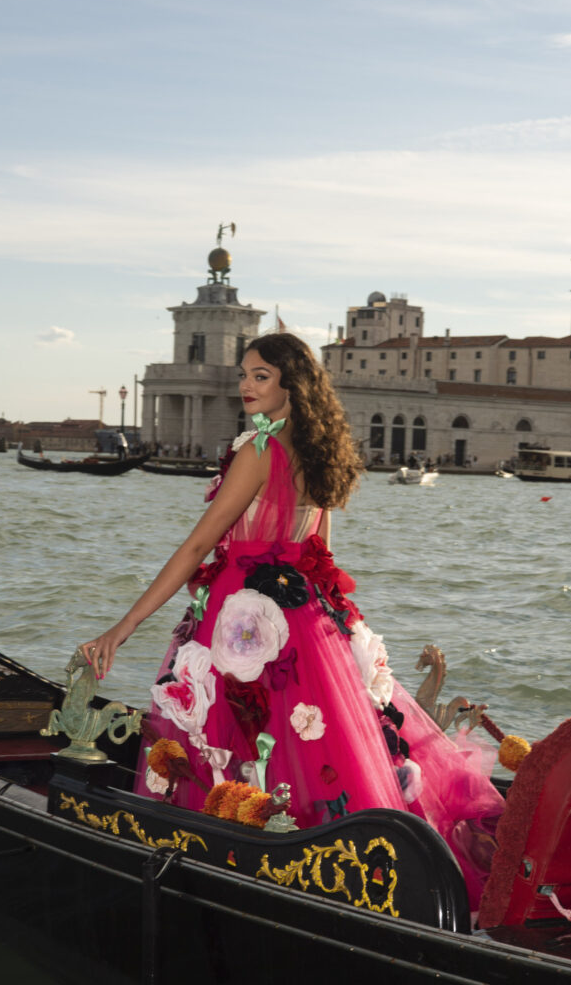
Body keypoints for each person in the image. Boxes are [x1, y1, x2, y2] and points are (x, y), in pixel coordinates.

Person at [82, 333, 504, 909]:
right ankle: (344, 874)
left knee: (233, 738)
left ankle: (224, 870)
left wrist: (121, 628)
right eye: (244, 375)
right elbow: (320, 552)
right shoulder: (317, 447)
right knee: (309, 745)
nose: (246, 386)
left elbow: (195, 548)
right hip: (304, 611)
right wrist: (338, 627)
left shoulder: (260, 451)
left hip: (243, 617)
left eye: (260, 376)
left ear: (289, 383)